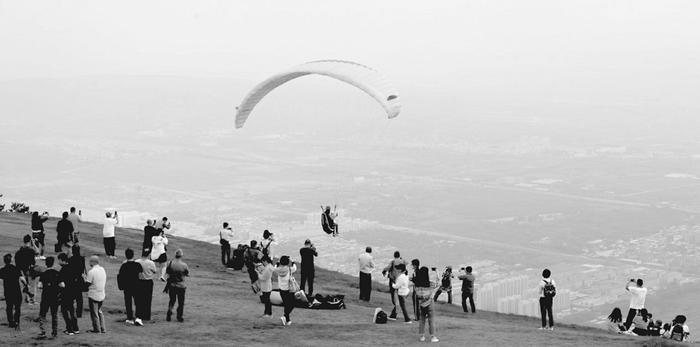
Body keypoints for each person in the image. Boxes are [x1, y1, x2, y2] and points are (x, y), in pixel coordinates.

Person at [118, 248, 143, 326]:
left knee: (128, 303)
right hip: (136, 286)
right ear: (133, 255)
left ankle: (130, 318)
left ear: (126, 256)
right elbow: (141, 276)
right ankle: (138, 317)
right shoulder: (137, 265)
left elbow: (120, 277)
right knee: (138, 302)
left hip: (127, 287)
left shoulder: (124, 266)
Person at [37, 256, 61, 338]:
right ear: (53, 263)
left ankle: (43, 331)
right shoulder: (57, 273)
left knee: (42, 314)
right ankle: (54, 332)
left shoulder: (43, 274)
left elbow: (39, 286)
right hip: (54, 296)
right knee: (54, 315)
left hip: (46, 296)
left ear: (46, 263)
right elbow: (62, 285)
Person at [414, 266, 439, 343]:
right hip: (429, 303)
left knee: (422, 319)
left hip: (421, 304)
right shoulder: (430, 284)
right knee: (431, 320)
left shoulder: (416, 286)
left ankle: (422, 336)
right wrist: (437, 272)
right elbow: (438, 284)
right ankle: (433, 337)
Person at [382, 251, 408, 320]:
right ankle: (395, 314)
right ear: (399, 255)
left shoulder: (393, 262)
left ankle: (394, 314)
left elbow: (387, 268)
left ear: (394, 255)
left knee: (394, 298)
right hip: (401, 280)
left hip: (393, 281)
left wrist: (384, 271)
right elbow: (406, 263)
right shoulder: (403, 261)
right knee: (399, 297)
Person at [57, 253, 79, 335]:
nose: (58, 262)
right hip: (73, 293)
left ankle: (69, 329)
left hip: (65, 293)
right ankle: (76, 328)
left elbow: (62, 284)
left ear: (62, 260)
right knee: (72, 311)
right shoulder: (73, 268)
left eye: (59, 260)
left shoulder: (62, 270)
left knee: (65, 311)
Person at [165, 249, 189, 322]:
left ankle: (169, 311)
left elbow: (167, 272)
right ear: (181, 256)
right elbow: (187, 273)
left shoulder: (170, 263)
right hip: (181, 286)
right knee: (181, 302)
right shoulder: (184, 265)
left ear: (175, 255)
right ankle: (179, 316)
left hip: (172, 285)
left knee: (172, 300)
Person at [0, 253, 22, 330]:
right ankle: (17, 321)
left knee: (9, 307)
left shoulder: (2, 270)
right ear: (11, 260)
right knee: (17, 307)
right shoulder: (16, 269)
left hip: (8, 291)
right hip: (16, 290)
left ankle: (10, 321)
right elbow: (22, 279)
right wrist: (26, 285)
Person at [86, 255, 107, 333]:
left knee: (94, 313)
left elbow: (87, 284)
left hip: (93, 294)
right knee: (99, 311)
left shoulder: (91, 272)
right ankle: (103, 328)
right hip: (101, 293)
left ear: (92, 262)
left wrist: (84, 279)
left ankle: (97, 329)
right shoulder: (102, 269)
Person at [15, 235, 38, 305]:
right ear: (29, 241)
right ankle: (32, 300)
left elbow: (17, 262)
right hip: (30, 269)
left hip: (21, 270)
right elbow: (37, 251)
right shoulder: (31, 250)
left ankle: (26, 299)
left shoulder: (19, 251)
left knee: (25, 285)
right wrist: (33, 244)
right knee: (32, 285)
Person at [135, 249, 157, 321]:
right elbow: (154, 271)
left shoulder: (137, 261)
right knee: (148, 299)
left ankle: (138, 315)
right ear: (148, 255)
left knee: (139, 299)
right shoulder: (151, 263)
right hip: (148, 282)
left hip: (139, 282)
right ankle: (146, 316)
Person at [275, 255, 297, 326]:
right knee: (292, 304)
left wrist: (277, 262)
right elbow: (295, 268)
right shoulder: (289, 269)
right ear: (287, 262)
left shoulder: (277, 269)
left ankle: (287, 320)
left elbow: (275, 267)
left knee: (286, 304)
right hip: (289, 290)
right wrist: (293, 262)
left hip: (281, 290)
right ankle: (285, 316)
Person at [68, 245, 86, 318]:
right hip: (79, 278)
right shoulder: (82, 258)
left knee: (71, 296)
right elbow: (82, 269)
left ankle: (71, 310)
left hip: (72, 278)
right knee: (79, 298)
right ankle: (79, 313)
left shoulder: (71, 259)